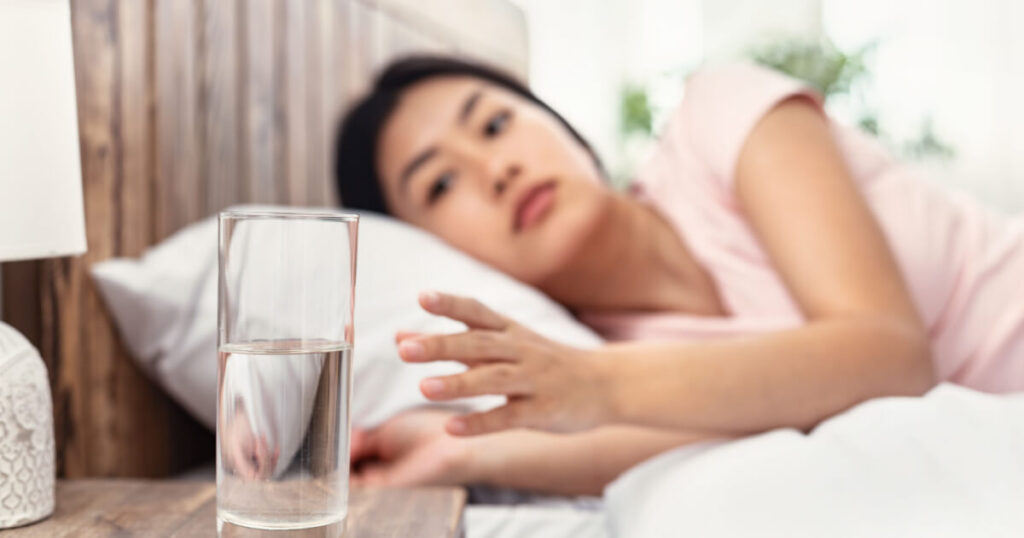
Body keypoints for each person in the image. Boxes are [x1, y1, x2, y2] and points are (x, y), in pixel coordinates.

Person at [334, 56, 1024, 495]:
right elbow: (674, 432)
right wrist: (453, 455)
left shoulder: (717, 118)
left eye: (494, 124)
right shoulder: (612, 360)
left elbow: (889, 356)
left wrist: (593, 384)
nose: (498, 169)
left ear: (563, 126)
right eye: (442, 183)